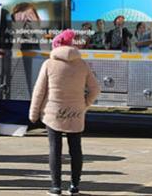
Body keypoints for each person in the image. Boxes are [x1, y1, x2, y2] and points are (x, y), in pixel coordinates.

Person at [29, 29, 100, 196]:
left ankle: (55, 187)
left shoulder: (49, 64)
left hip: (53, 114)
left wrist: (33, 113)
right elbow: (95, 89)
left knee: (55, 149)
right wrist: (84, 104)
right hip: (76, 113)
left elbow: (39, 91)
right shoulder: (82, 64)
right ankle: (74, 186)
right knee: (76, 149)